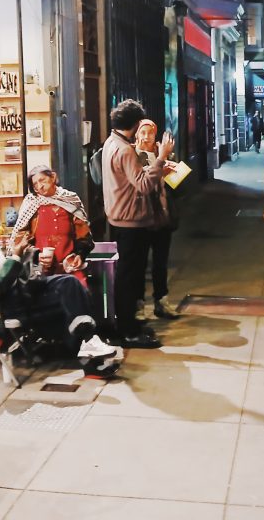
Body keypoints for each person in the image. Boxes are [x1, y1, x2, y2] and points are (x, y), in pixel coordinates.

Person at [0, 201, 117, 374]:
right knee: (69, 293)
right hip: (4, 305)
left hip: (19, 293)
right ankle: (89, 348)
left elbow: (6, 269)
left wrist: (28, 255)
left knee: (70, 284)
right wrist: (16, 255)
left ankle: (87, 343)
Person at [102, 99, 175, 349]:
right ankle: (128, 331)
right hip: (130, 221)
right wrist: (161, 158)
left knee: (128, 276)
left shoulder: (111, 142)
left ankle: (129, 323)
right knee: (129, 278)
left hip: (119, 217)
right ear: (134, 124)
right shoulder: (124, 149)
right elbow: (143, 184)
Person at [6, 166, 94, 289]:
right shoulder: (31, 204)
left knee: (80, 293)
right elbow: (20, 239)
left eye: (42, 180)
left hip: (68, 267)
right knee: (37, 297)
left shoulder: (70, 200)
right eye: (35, 184)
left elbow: (84, 235)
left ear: (53, 177)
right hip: (38, 267)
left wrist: (79, 254)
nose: (39, 186)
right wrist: (36, 255)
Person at [134, 119, 180, 320]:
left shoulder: (164, 153)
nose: (146, 137)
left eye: (150, 132)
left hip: (162, 217)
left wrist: (172, 174)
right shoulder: (131, 155)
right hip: (141, 217)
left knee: (160, 263)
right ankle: (139, 305)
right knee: (140, 263)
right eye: (142, 132)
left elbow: (176, 188)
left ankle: (162, 302)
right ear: (136, 134)